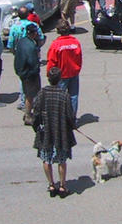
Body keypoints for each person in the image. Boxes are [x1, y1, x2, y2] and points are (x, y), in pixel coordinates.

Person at [32, 66, 76, 199]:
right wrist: (72, 126)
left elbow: (36, 112)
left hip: (46, 131)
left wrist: (36, 126)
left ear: (48, 78)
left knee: (46, 158)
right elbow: (70, 115)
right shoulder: (64, 94)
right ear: (60, 79)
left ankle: (51, 185)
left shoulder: (42, 93)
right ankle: (62, 186)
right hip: (61, 131)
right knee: (62, 160)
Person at [46, 19, 83, 117]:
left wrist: (49, 74)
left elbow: (51, 61)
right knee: (73, 96)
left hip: (61, 75)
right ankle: (72, 118)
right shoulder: (75, 42)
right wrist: (77, 69)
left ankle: (59, 118)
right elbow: (79, 58)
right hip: (73, 73)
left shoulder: (56, 44)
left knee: (59, 97)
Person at [15, 22, 42, 125]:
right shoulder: (31, 46)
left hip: (22, 72)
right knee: (30, 96)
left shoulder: (22, 41)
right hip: (30, 74)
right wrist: (36, 69)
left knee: (27, 94)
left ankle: (29, 113)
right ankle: (28, 115)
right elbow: (33, 62)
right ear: (34, 33)